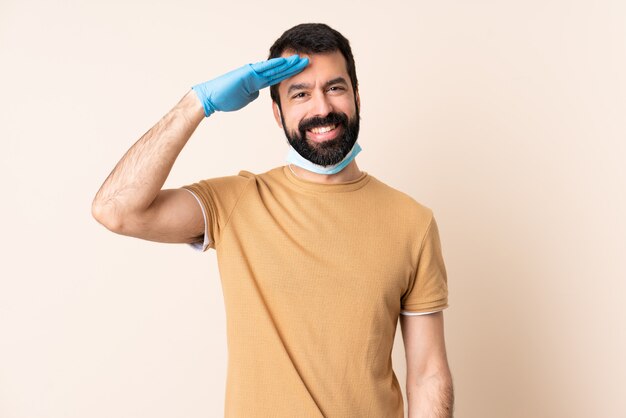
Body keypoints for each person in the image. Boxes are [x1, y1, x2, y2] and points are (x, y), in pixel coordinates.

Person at [92, 23, 453, 418]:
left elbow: (427, 374)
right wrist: (197, 103)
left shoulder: (411, 222)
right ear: (277, 114)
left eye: (335, 88)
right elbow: (115, 209)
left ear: (357, 98)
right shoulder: (236, 202)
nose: (322, 108)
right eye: (300, 94)